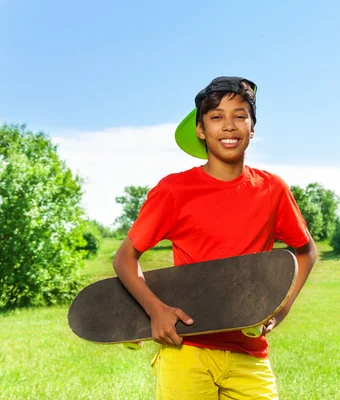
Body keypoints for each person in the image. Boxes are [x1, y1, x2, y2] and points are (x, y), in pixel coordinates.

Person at [112, 76, 318, 399]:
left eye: (240, 115)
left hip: (249, 352)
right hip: (186, 349)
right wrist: (155, 309)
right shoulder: (173, 191)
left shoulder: (272, 189)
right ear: (200, 130)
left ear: (252, 127)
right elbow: (125, 258)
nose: (229, 126)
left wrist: (282, 308)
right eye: (216, 117)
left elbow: (307, 251)